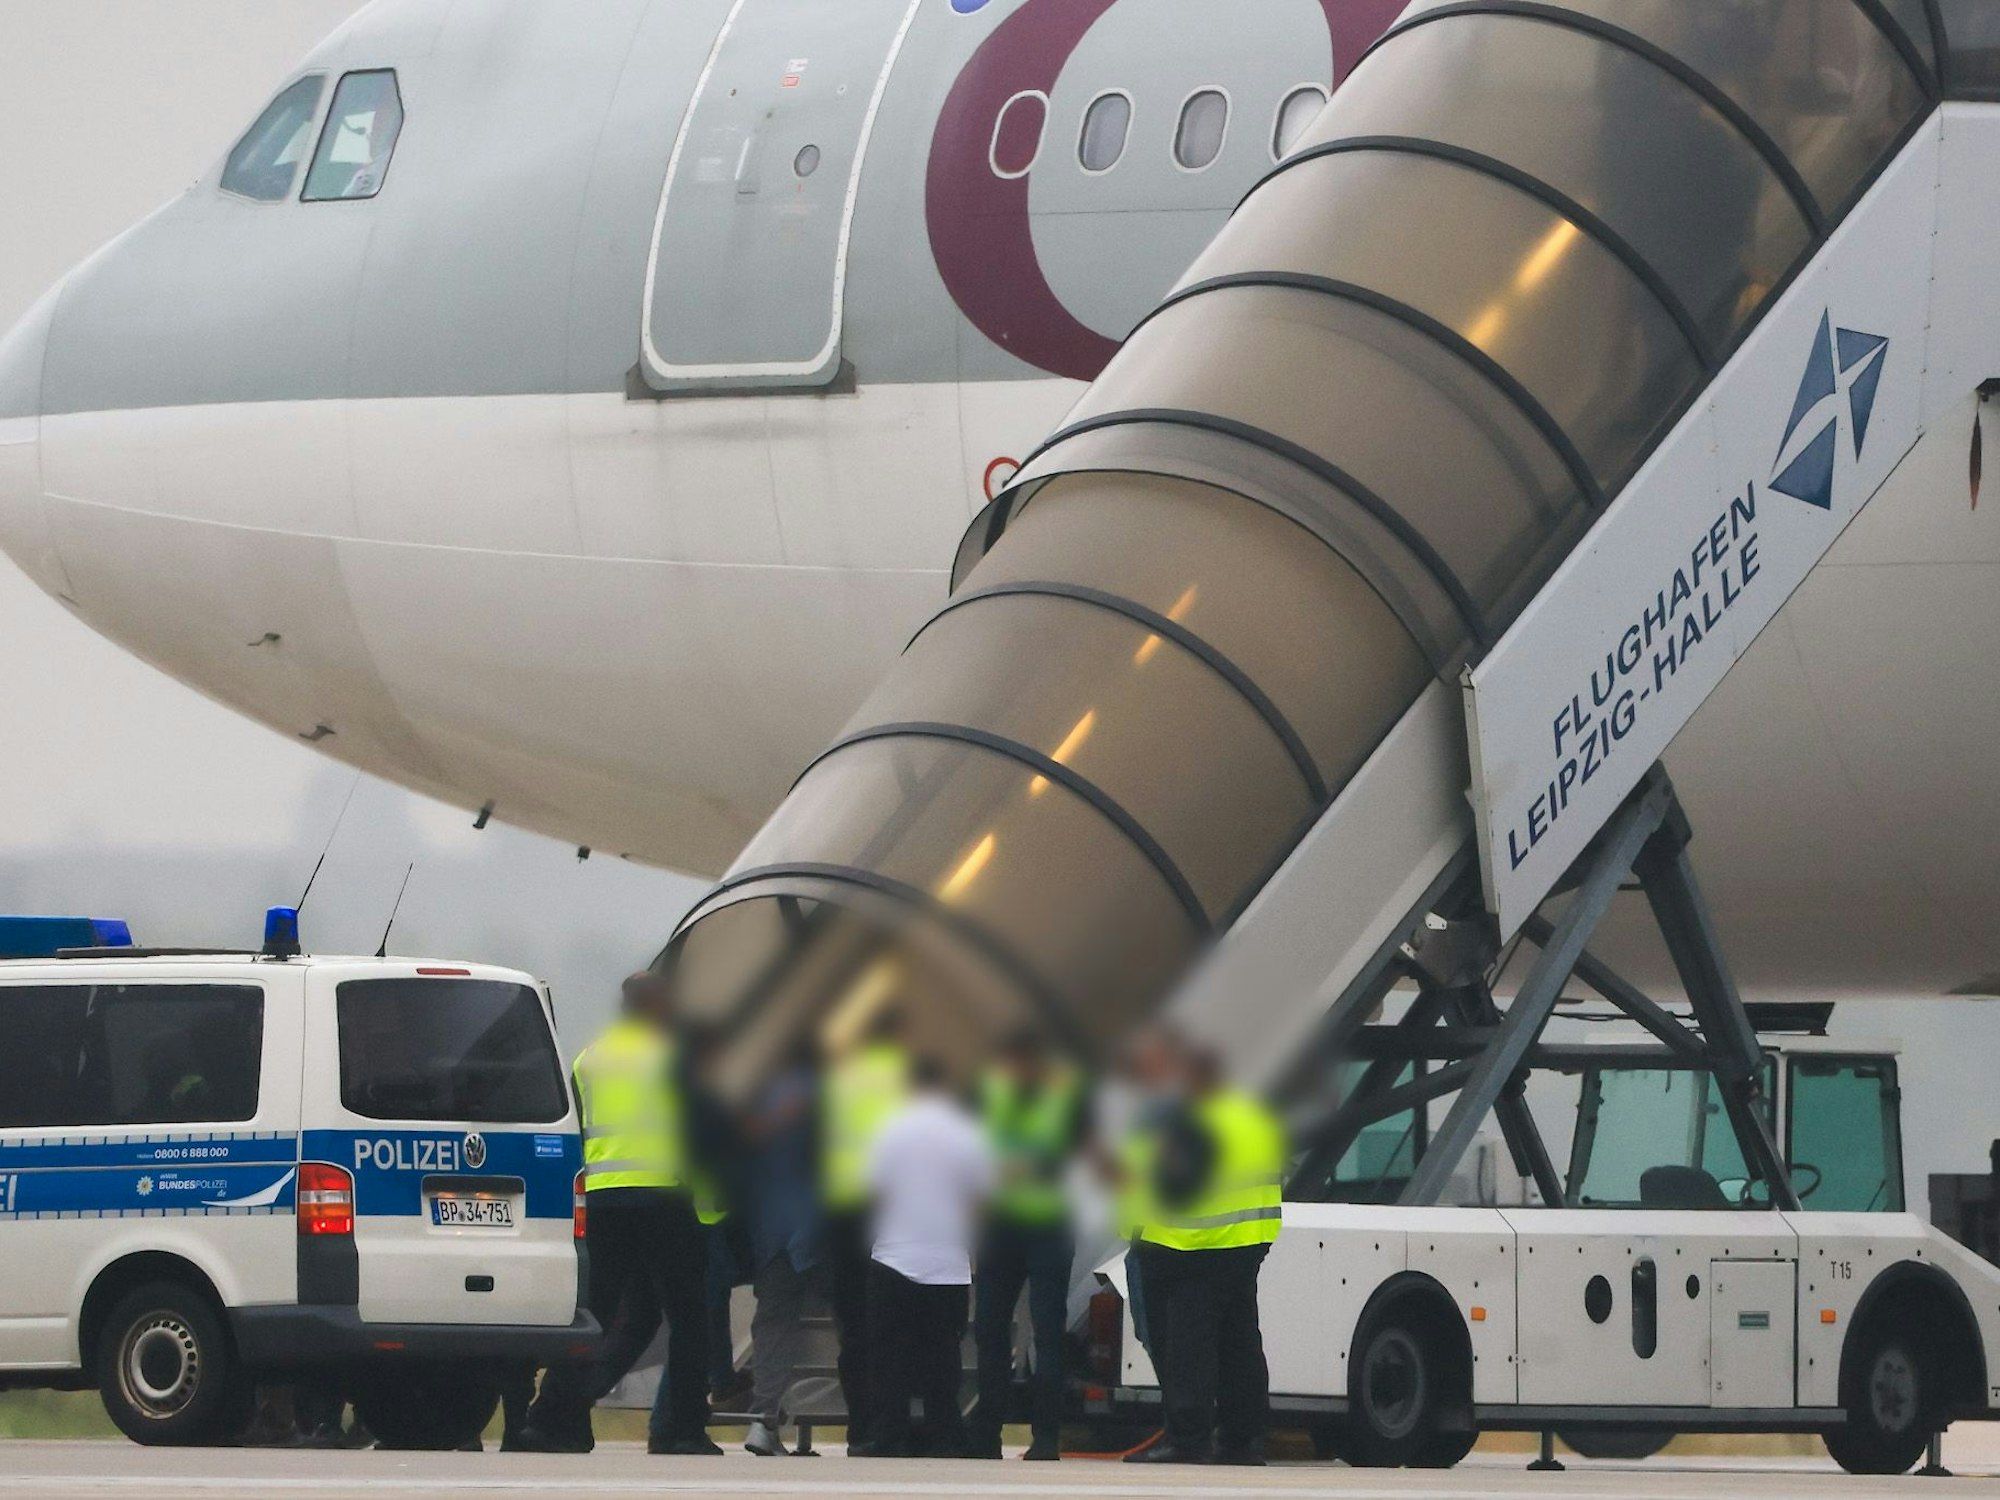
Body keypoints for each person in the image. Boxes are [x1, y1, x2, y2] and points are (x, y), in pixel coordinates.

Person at [516, 972, 720, 1456]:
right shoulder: (673, 1056)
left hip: (605, 1199)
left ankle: (552, 1420)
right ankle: (680, 1429)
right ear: (656, 1008)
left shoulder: (591, 1059)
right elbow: (702, 1129)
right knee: (690, 1317)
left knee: (597, 1316)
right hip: (665, 1196)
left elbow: (577, 1128)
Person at [1124, 1045, 1285, 1467]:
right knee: (1240, 1347)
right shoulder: (1254, 1115)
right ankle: (1243, 1441)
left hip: (1187, 1246)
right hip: (1247, 1243)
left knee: (1188, 1351)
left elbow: (1147, 1180)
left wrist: (1136, 1235)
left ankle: (1188, 1439)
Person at [858, 1056, 994, 1458]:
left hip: (895, 1257)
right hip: (947, 1264)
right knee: (942, 1357)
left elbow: (874, 1189)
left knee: (890, 1356)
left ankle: (890, 1436)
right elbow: (980, 1197)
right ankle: (944, 1436)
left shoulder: (888, 1129)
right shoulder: (967, 1133)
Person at [968, 1030, 1090, 1461]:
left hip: (1043, 1224)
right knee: (991, 1330)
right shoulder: (994, 1092)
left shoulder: (1064, 1094)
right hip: (1008, 1226)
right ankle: (990, 1435)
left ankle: (1045, 1438)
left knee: (1043, 1334)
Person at [820, 1010, 910, 1448]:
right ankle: (890, 1426)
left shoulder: (838, 1077)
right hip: (891, 1212)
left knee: (852, 1324)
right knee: (896, 1325)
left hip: (842, 1211)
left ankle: (859, 1427)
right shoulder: (907, 1079)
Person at [738, 1044, 826, 1456]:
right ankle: (870, 1426)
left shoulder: (761, 1101)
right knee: (860, 1327)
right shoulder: (829, 1095)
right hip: (822, 1229)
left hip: (773, 1231)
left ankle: (763, 1419)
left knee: (773, 1326)